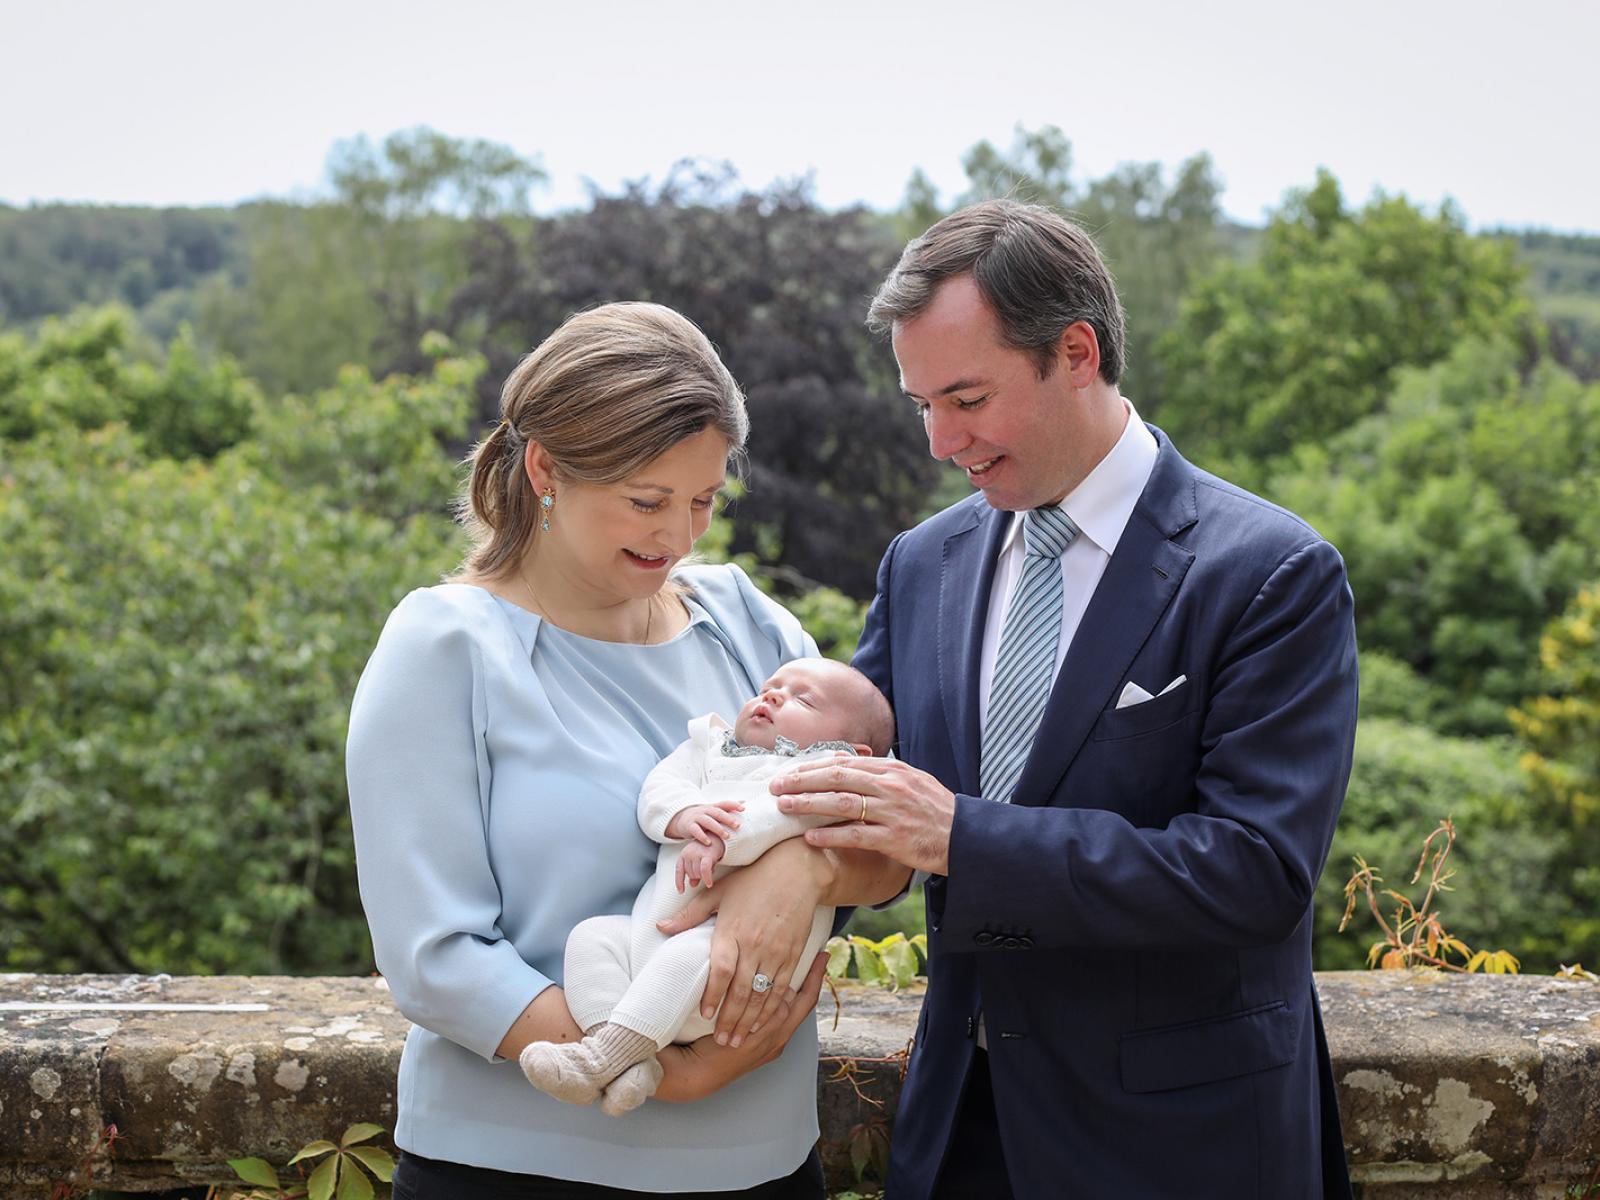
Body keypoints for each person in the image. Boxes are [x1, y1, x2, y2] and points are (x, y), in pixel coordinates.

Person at [770, 201, 1360, 1198]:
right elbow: (864, 802)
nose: (937, 440)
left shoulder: (1268, 572)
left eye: (965, 397)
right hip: (957, 1135)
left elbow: (1257, 873)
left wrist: (965, 837)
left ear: (1076, 351)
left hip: (1183, 1148)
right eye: (921, 403)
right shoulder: (922, 564)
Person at [346, 302, 907, 1198]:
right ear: (545, 471)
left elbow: (887, 848)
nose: (680, 535)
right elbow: (433, 952)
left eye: (703, 500)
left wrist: (805, 874)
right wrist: (661, 1070)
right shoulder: (446, 648)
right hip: (515, 1166)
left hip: (763, 1166)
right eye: (647, 501)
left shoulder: (747, 623)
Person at [519, 658, 894, 1116]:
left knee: (691, 955)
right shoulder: (712, 746)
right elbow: (661, 785)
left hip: (734, 966)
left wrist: (724, 839)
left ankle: (598, 1061)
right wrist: (681, 814)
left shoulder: (829, 776)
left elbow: (786, 814)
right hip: (653, 932)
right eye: (770, 686)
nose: (773, 695)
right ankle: (624, 1057)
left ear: (851, 751)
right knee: (592, 937)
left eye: (803, 699)